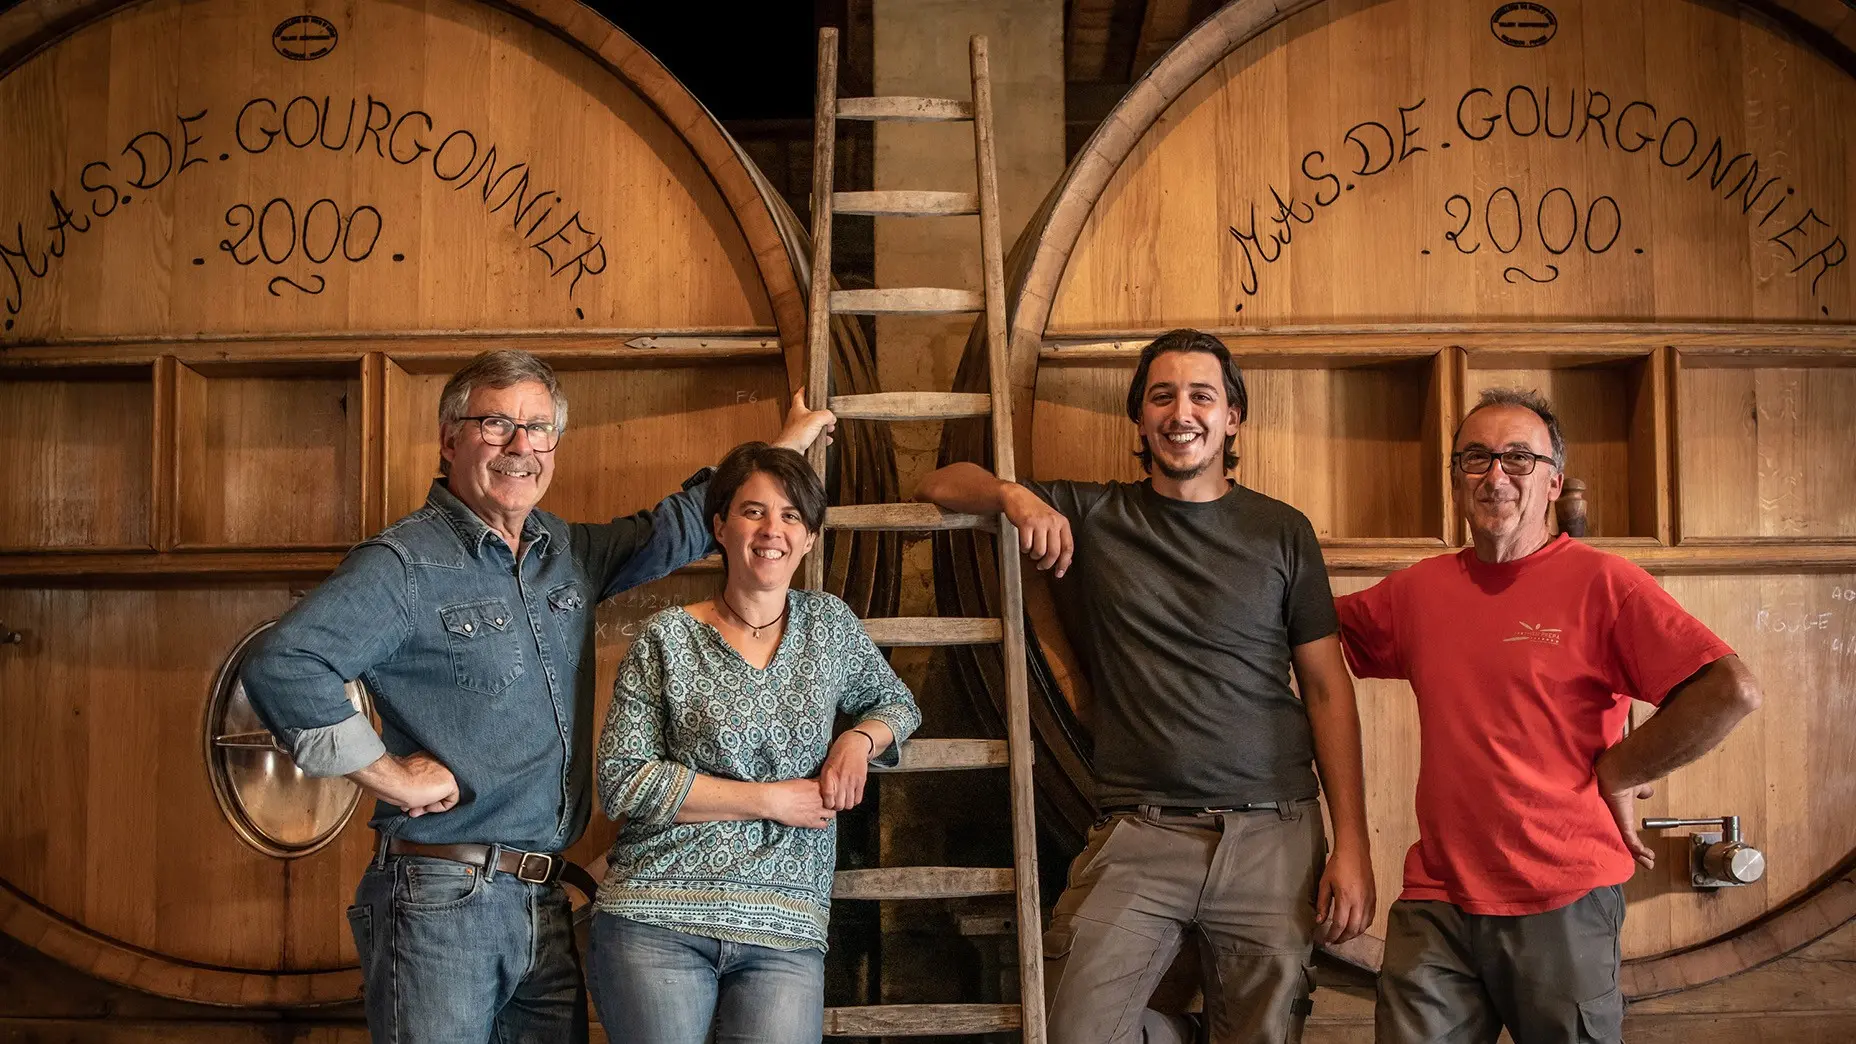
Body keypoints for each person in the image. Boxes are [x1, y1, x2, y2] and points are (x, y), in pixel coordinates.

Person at [240, 350, 835, 1044]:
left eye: (539, 427)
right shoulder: (405, 563)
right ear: (450, 438)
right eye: (496, 424)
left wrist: (782, 451)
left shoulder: (564, 552)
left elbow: (675, 527)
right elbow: (283, 664)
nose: (521, 446)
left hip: (543, 902)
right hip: (441, 899)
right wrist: (388, 775)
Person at [916, 328, 1375, 1044]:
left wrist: (1353, 846)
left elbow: (1326, 688)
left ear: (1232, 417)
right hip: (1141, 831)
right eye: (1162, 396)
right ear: (1140, 418)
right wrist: (1013, 496)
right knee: (1073, 1030)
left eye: (1202, 395)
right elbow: (939, 484)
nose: (1181, 412)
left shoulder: (1283, 531)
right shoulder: (1096, 514)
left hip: (1273, 831)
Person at [1335, 387, 1763, 1044]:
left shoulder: (1603, 582)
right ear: (1457, 478)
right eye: (1475, 458)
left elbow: (1729, 689)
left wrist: (1618, 771)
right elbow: (1309, 631)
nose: (1495, 475)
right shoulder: (1416, 592)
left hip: (1562, 896)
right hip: (1436, 897)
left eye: (1517, 459)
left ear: (1554, 480)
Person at [587, 441, 921, 1043]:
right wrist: (769, 799)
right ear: (719, 525)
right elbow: (622, 779)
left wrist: (859, 739)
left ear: (811, 537)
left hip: (785, 929)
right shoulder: (667, 638)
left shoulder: (829, 625)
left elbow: (898, 703)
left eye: (792, 515)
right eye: (753, 511)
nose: (773, 530)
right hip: (657, 915)